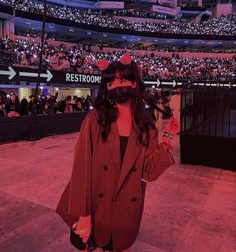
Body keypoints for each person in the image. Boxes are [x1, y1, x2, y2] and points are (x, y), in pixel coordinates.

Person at [56, 54, 180, 252]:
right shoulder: (95, 119)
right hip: (91, 209)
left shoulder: (147, 127)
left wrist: (167, 138)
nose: (116, 86)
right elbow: (81, 169)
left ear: (134, 84)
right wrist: (84, 216)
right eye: (111, 82)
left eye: (122, 80)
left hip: (125, 214)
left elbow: (147, 173)